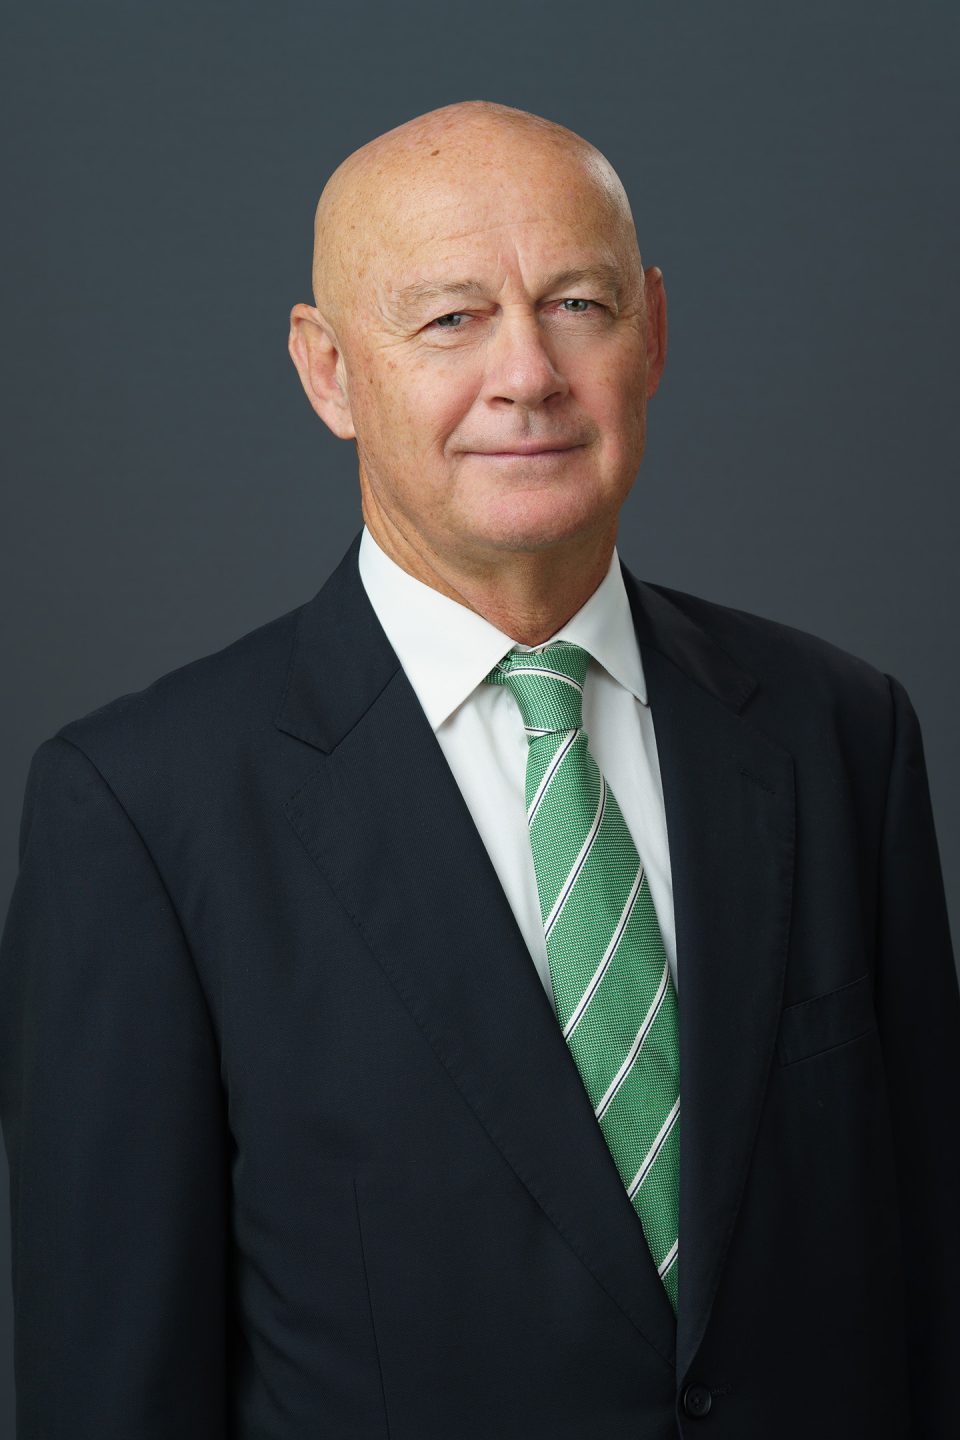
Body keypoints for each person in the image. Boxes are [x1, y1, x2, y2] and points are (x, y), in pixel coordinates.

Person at [0, 100, 957, 1439]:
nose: (528, 374)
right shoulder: (141, 813)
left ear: (653, 332)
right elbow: (115, 1392)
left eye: (578, 304)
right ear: (329, 373)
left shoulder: (840, 734)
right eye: (452, 319)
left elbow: (931, 1307)